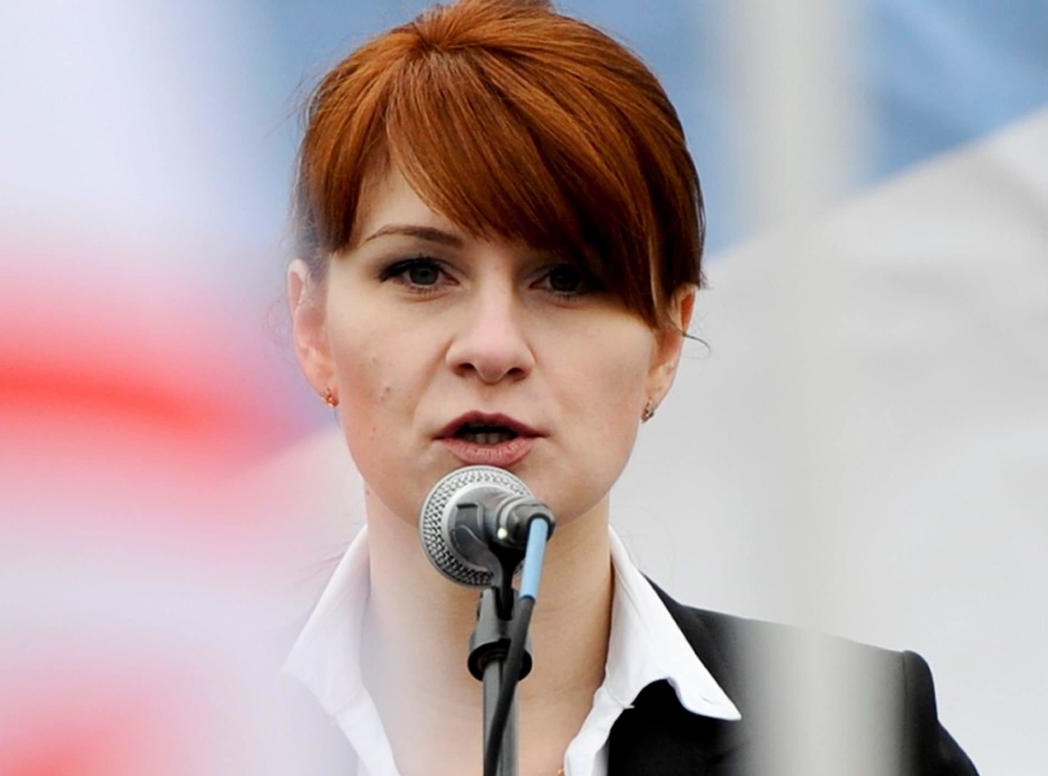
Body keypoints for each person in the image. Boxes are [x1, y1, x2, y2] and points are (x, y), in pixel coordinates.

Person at [282, 1, 977, 774]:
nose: (491, 347)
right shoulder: (169, 724)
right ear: (313, 329)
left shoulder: (851, 733)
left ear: (665, 342)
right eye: (419, 271)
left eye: (567, 278)